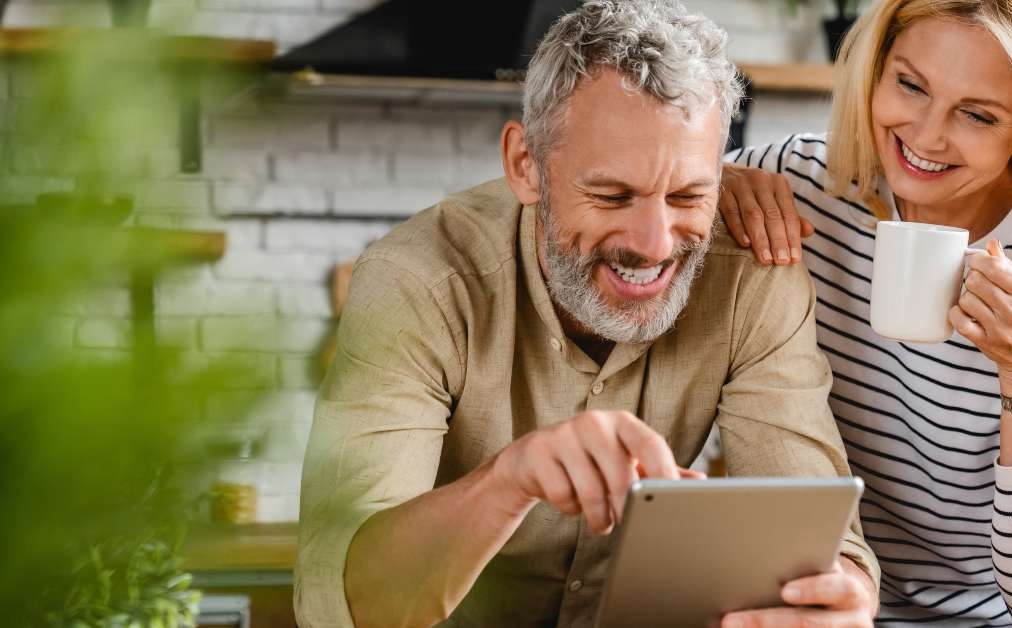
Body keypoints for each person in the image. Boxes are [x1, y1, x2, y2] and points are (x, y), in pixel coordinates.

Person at [294, 2, 880, 627]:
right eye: (610, 195)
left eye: (687, 194)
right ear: (526, 166)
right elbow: (345, 603)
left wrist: (838, 597)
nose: (654, 244)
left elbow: (817, 533)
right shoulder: (417, 282)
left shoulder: (753, 274)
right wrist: (509, 480)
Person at [719, 0, 1012, 625]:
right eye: (910, 85)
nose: (926, 135)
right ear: (878, 67)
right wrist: (706, 185)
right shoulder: (798, 186)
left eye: (976, 115)